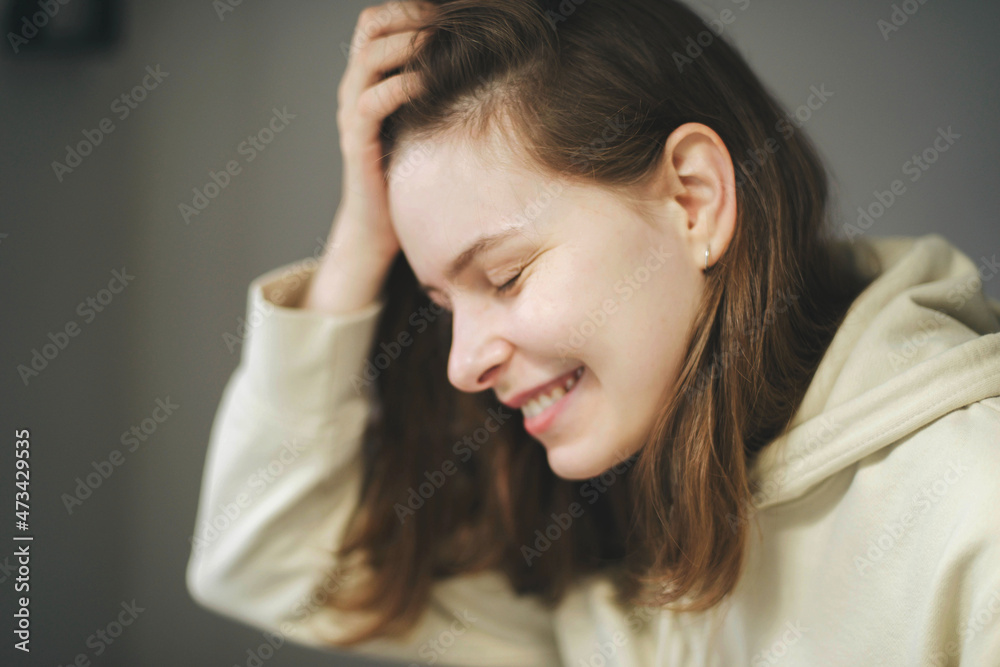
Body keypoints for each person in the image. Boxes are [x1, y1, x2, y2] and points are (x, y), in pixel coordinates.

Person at [186, 0, 1000, 664]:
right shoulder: (587, 556)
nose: (464, 365)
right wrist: (359, 242)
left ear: (693, 199)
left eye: (504, 277)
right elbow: (259, 561)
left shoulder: (973, 508)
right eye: (442, 305)